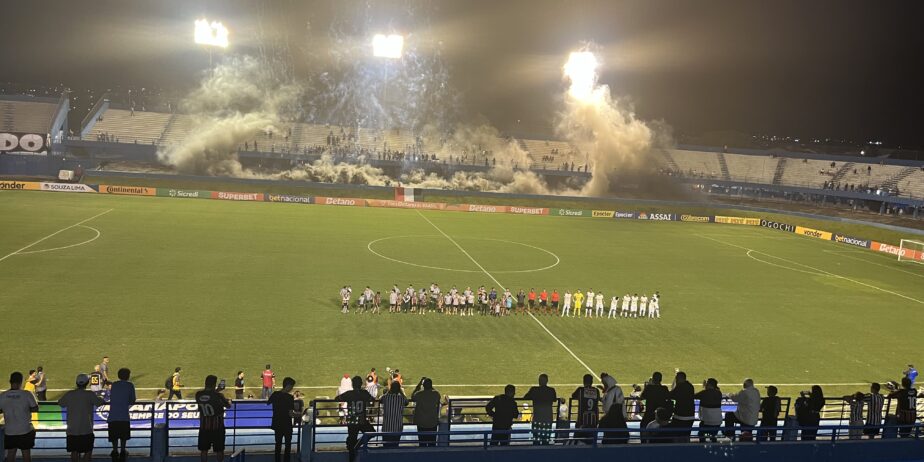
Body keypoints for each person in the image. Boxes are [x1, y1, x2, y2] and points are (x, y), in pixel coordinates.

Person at [59, 374, 105, 462]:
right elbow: (99, 402)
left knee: (74, 452)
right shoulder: (90, 394)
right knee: (88, 452)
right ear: (87, 383)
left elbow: (61, 403)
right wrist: (102, 398)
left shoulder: (70, 394)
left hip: (72, 430)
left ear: (76, 383)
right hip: (86, 430)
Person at [0, 372, 39, 462]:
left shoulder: (3, 396)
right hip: (25, 430)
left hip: (10, 431)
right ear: (21, 382)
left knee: (11, 455)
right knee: (26, 455)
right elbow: (35, 408)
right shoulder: (27, 394)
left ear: (10, 381)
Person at [336, 376, 375, 462]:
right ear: (361, 384)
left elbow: (337, 398)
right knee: (372, 433)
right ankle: (357, 444)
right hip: (362, 420)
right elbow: (372, 399)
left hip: (352, 420)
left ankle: (352, 455)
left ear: (352, 384)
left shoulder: (349, 393)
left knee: (352, 442)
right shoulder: (364, 393)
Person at [195, 375, 232, 462]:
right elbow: (228, 405)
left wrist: (216, 390)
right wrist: (229, 400)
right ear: (214, 384)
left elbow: (208, 397)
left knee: (204, 450)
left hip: (204, 427)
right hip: (218, 428)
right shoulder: (218, 396)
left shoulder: (198, 395)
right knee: (219, 450)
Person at [108, 368, 136, 461]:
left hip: (113, 416)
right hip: (124, 416)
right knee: (123, 436)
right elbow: (132, 400)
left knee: (114, 436)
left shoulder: (114, 385)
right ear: (128, 376)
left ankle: (115, 451)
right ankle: (123, 451)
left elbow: (111, 396)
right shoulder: (130, 385)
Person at [268, 377, 297, 462]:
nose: (292, 388)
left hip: (277, 423)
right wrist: (299, 415)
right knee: (287, 445)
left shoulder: (275, 394)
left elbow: (268, 402)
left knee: (278, 444)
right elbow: (291, 413)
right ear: (288, 386)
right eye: (291, 386)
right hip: (287, 424)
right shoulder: (289, 397)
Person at [523, 374, 557, 445]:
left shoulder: (534, 390)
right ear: (547, 381)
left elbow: (525, 397)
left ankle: (536, 454)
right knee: (546, 440)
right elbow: (554, 399)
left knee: (536, 440)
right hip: (547, 419)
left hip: (537, 419)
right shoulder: (551, 390)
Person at [571, 374, 600, 444]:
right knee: (592, 442)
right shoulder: (596, 391)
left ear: (583, 381)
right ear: (592, 381)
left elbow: (573, 396)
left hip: (581, 421)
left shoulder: (580, 390)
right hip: (593, 421)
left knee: (577, 441)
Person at [411, 378, 441, 447]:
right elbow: (437, 395)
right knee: (432, 443)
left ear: (423, 386)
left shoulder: (419, 394)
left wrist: (419, 385)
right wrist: (430, 386)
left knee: (422, 443)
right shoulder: (435, 394)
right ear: (431, 385)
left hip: (421, 422)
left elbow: (412, 397)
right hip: (432, 422)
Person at [380, 381, 408, 448]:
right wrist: (401, 392)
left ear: (391, 388)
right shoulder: (402, 398)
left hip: (386, 427)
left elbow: (380, 399)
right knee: (395, 446)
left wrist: (389, 391)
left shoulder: (386, 397)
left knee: (385, 447)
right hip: (397, 428)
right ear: (398, 389)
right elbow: (406, 402)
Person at [668, 371, 695, 440]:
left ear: (679, 378)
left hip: (680, 417)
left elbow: (670, 395)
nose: (676, 380)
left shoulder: (680, 387)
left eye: (676, 378)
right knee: (686, 436)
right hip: (690, 416)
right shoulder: (690, 386)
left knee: (676, 436)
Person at [695, 378, 722, 442]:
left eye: (706, 383)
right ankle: (713, 441)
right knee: (713, 435)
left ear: (709, 384)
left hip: (706, 422)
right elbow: (713, 393)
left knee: (700, 434)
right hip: (718, 422)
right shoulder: (719, 393)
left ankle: (702, 445)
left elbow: (694, 396)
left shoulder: (704, 393)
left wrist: (704, 388)